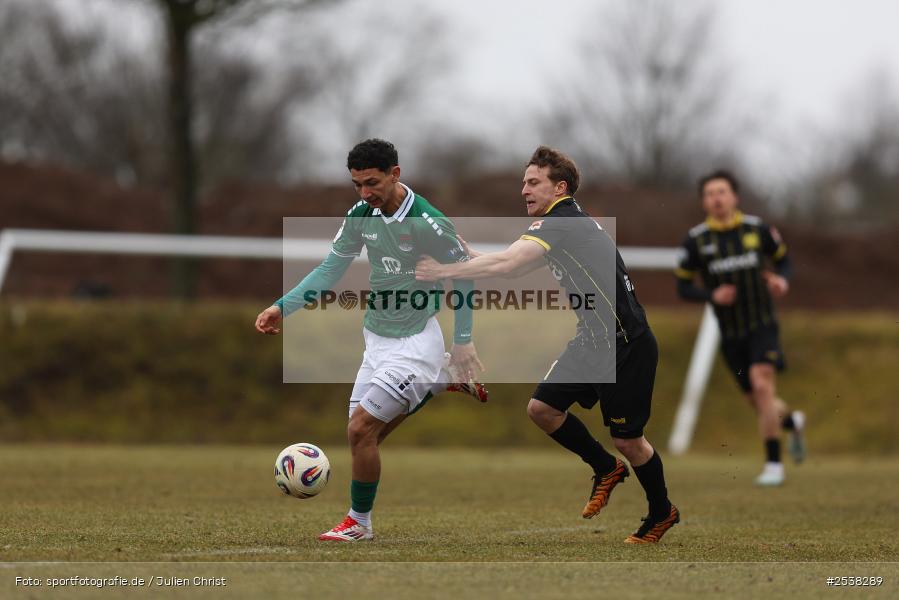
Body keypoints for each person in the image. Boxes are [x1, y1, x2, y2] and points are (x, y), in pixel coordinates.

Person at [416, 146, 679, 544]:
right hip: (594, 341)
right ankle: (606, 468)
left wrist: (443, 270)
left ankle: (662, 512)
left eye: (533, 182)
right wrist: (470, 256)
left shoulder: (561, 222)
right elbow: (514, 267)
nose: (524, 190)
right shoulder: (565, 224)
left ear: (560, 187)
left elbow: (506, 265)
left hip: (627, 344)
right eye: (524, 182)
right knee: (542, 409)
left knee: (629, 439)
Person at [255, 138, 487, 542]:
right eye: (357, 185)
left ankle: (358, 523)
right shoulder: (362, 214)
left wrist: (464, 339)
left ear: (395, 174)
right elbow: (331, 268)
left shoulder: (427, 221)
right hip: (377, 340)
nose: (365, 194)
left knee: (360, 430)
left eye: (372, 183)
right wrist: (282, 307)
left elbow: (464, 274)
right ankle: (439, 381)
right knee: (366, 436)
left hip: (416, 342)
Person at [675, 169, 805, 487]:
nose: (715, 198)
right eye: (709, 194)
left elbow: (784, 261)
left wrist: (781, 280)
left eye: (721, 192)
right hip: (729, 334)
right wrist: (711, 295)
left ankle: (774, 464)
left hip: (762, 324)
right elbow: (682, 287)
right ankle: (791, 421)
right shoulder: (696, 240)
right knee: (757, 400)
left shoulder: (757, 230)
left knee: (762, 386)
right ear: (704, 202)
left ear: (734, 196)